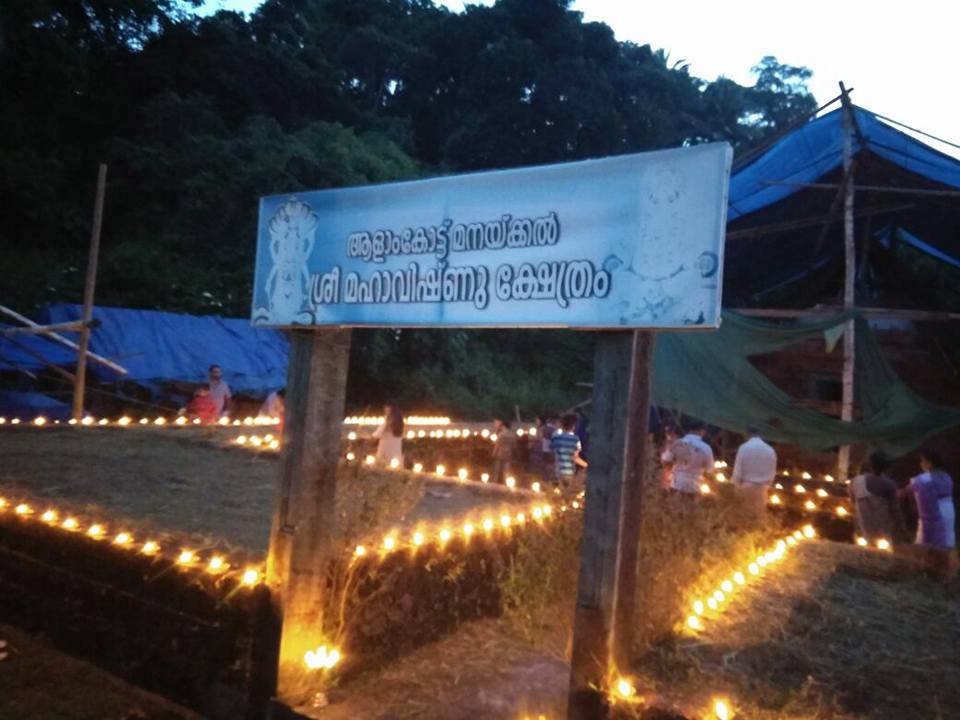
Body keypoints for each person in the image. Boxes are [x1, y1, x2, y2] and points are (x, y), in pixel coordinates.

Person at [902, 450, 955, 550]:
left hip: (933, 516)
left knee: (924, 547)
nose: (921, 464)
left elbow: (905, 491)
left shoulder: (924, 479)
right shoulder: (947, 477)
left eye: (923, 461)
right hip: (948, 513)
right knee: (946, 545)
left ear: (929, 463)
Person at [849, 451, 906, 544]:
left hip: (862, 528)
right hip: (882, 532)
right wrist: (902, 529)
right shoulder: (889, 484)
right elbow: (895, 510)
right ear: (886, 467)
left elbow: (852, 501)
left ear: (870, 464)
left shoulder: (856, 481)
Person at [731, 426, 778, 520]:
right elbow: (772, 471)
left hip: (746, 486)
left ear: (747, 434)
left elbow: (738, 471)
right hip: (763, 488)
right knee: (759, 516)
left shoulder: (744, 448)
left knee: (745, 517)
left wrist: (734, 487)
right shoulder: (770, 450)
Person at [662, 420, 714, 496]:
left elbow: (666, 460)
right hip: (693, 487)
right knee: (688, 507)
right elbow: (710, 470)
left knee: (673, 506)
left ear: (689, 430)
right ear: (702, 431)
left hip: (676, 484)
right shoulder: (706, 448)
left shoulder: (677, 443)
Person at [551, 413, 587, 490]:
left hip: (558, 471)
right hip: (570, 472)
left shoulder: (556, 437)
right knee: (568, 494)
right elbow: (576, 458)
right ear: (574, 426)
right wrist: (587, 465)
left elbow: (552, 451)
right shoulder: (576, 439)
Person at [531, 415, 557, 485]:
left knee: (545, 469)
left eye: (537, 420)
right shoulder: (541, 429)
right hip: (540, 452)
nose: (536, 422)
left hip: (543, 452)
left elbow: (543, 440)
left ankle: (545, 484)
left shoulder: (545, 429)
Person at [491, 417, 517, 485]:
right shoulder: (512, 435)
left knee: (497, 471)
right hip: (508, 454)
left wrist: (493, 454)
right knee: (506, 471)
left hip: (500, 454)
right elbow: (514, 446)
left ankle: (495, 484)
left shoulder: (501, 434)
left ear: (504, 426)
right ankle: (506, 484)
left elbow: (497, 445)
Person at [660, 424, 678, 490]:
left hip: (673, 466)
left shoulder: (677, 442)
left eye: (670, 432)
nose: (668, 434)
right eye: (667, 432)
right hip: (667, 466)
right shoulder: (666, 442)